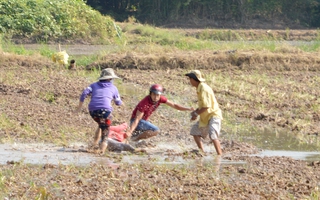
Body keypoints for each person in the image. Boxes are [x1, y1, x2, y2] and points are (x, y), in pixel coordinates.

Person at [75, 68, 122, 154]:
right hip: (105, 111)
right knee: (105, 134)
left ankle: (94, 144)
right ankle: (101, 152)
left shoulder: (93, 85)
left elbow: (84, 93)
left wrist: (80, 106)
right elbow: (118, 102)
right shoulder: (114, 88)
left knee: (101, 125)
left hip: (93, 111)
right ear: (110, 79)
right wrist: (119, 102)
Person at [125, 84, 193, 141]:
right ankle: (135, 139)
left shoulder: (160, 99)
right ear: (150, 94)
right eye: (154, 94)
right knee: (155, 130)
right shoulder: (144, 103)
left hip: (143, 122)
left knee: (151, 131)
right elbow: (137, 119)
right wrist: (130, 131)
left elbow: (174, 105)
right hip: (136, 122)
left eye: (158, 95)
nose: (156, 97)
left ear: (160, 95)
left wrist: (187, 108)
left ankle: (135, 139)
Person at [185, 70, 223, 155]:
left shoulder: (203, 88)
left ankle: (219, 155)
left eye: (190, 79)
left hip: (213, 115)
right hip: (206, 116)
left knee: (213, 135)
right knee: (195, 131)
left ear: (194, 79)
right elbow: (203, 105)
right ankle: (202, 152)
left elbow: (207, 106)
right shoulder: (200, 87)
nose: (189, 81)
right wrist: (196, 112)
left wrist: (196, 114)